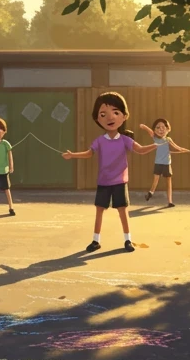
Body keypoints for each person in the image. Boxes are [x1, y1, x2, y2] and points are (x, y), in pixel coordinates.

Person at [62, 92, 156, 252]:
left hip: (120, 181)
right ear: (97, 119)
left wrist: (156, 145)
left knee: (122, 210)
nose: (109, 118)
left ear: (124, 116)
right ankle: (95, 240)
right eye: (103, 114)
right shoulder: (99, 140)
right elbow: (89, 153)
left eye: (115, 112)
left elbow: (139, 150)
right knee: (99, 210)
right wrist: (73, 155)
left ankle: (128, 240)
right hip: (104, 181)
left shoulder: (125, 140)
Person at [138, 118, 189, 206]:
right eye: (158, 128)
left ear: (168, 129)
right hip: (158, 162)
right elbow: (150, 131)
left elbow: (176, 147)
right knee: (156, 180)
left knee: (168, 182)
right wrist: (144, 127)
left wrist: (183, 150)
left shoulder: (168, 139)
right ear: (155, 130)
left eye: (163, 127)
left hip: (167, 163)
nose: (161, 129)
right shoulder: (156, 138)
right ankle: (151, 192)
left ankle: (170, 201)